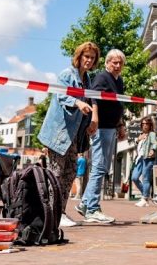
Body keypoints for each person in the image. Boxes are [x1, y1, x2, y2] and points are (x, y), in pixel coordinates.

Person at [36, 42, 100, 229]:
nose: (89, 60)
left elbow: (93, 99)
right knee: (56, 173)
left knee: (70, 172)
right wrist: (78, 103)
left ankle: (60, 212)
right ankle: (51, 213)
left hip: (74, 135)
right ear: (79, 57)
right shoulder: (67, 74)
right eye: (86, 56)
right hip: (59, 132)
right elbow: (60, 95)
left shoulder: (87, 79)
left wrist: (92, 120)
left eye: (92, 58)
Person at [78, 49, 127, 224]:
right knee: (99, 166)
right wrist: (95, 118)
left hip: (111, 128)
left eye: (120, 63)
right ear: (107, 63)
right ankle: (92, 208)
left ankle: (85, 204)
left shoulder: (119, 80)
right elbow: (93, 98)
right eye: (114, 62)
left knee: (103, 166)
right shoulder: (101, 77)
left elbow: (118, 103)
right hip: (101, 127)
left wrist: (120, 124)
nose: (118, 65)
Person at [131, 116, 157, 207]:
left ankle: (145, 198)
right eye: (143, 124)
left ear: (150, 125)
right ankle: (145, 195)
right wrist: (138, 140)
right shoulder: (141, 135)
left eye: (147, 124)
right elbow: (137, 147)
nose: (145, 126)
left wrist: (152, 150)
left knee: (145, 178)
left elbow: (154, 143)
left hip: (148, 158)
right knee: (134, 177)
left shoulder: (152, 134)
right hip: (139, 159)